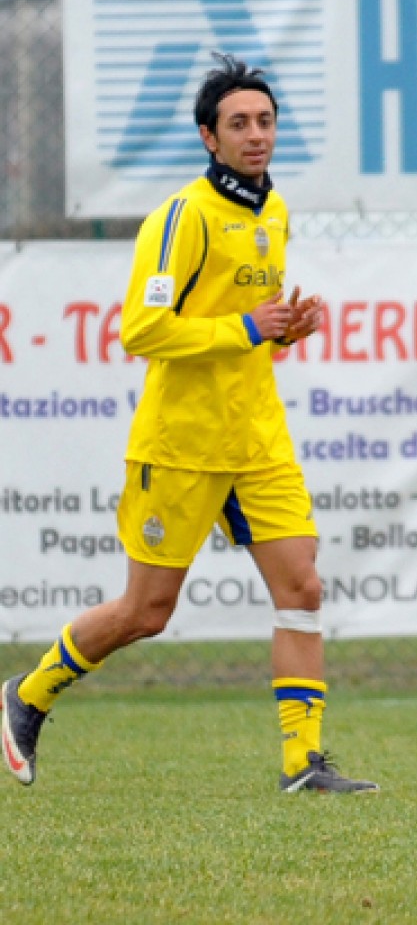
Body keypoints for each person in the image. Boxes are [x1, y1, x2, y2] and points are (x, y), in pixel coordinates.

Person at [1, 54, 377, 795]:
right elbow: (142, 329)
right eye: (238, 123)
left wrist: (285, 330)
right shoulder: (183, 216)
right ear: (210, 138)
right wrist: (245, 326)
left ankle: (304, 764)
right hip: (183, 444)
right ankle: (27, 694)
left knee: (301, 587)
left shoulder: (274, 211)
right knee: (147, 611)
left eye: (265, 120)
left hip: (258, 437)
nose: (256, 134)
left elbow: (248, 332)